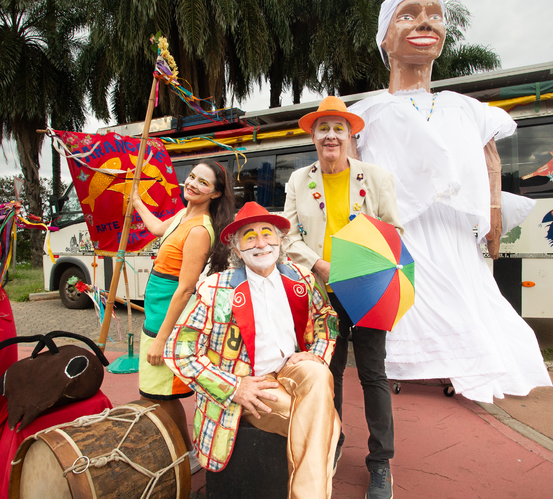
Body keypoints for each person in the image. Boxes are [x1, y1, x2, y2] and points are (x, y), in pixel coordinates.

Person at [347, 0, 551, 403]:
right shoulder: (364, 114)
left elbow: (491, 162)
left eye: (435, 14)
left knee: (467, 303)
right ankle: (403, 370)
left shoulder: (466, 108)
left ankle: (462, 369)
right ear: (385, 37)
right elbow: (351, 177)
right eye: (409, 14)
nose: (426, 21)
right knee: (408, 309)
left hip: (455, 234)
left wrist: (494, 219)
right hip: (400, 234)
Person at [164, 202, 340, 499]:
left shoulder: (301, 278)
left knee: (318, 372)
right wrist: (235, 387)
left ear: (280, 239)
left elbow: (327, 320)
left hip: (292, 370)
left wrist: (318, 354)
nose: (261, 243)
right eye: (250, 236)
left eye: (267, 234)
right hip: (251, 384)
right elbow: (178, 351)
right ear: (236, 245)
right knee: (327, 424)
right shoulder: (216, 289)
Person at [282, 96, 403, 499]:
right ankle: (330, 444)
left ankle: (381, 462)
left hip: (367, 292)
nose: (331, 135)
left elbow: (393, 229)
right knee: (327, 376)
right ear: (313, 136)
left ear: (350, 135)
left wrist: (363, 262)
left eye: (339, 128)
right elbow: (287, 235)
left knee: (373, 375)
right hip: (321, 294)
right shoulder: (299, 180)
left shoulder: (376, 177)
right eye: (323, 128)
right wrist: (318, 265)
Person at [131, 160, 235, 474]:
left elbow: (186, 287)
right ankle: (181, 449)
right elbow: (157, 229)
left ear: (215, 193)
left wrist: (162, 340)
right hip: (157, 312)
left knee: (160, 394)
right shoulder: (183, 215)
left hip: (169, 317)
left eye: (203, 182)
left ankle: (188, 452)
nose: (192, 184)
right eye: (191, 177)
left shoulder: (201, 229)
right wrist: (136, 200)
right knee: (154, 393)